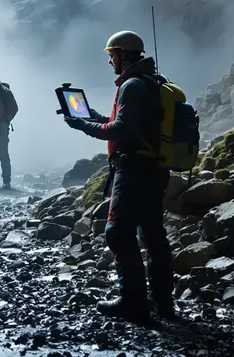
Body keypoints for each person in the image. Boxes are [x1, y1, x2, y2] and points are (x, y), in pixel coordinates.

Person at [61, 30, 175, 324]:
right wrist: (92, 117)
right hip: (153, 168)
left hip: (135, 169)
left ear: (122, 55)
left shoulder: (132, 86)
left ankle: (133, 302)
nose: (109, 60)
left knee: (118, 233)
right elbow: (128, 124)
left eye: (111, 55)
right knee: (152, 235)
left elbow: (120, 131)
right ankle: (163, 305)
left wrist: (82, 127)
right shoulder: (150, 81)